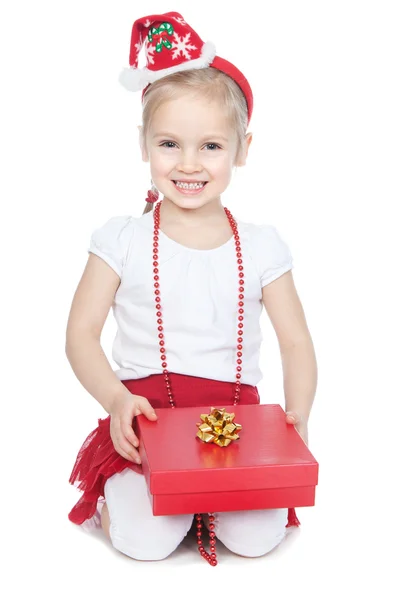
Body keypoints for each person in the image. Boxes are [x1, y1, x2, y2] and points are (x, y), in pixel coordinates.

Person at [66, 11, 318, 564]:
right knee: (145, 543)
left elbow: (296, 342)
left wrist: (297, 419)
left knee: (255, 540)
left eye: (210, 147)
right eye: (169, 143)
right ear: (144, 143)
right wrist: (116, 400)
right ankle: (127, 499)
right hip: (146, 419)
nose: (188, 164)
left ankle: (205, 499)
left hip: (235, 423)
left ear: (243, 148)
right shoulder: (123, 239)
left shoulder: (261, 246)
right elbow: (80, 334)